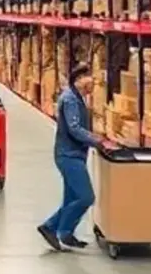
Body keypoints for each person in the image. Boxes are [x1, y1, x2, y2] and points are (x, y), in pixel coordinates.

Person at [37, 64, 117, 251]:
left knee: (71, 197)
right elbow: (74, 129)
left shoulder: (76, 97)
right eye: (90, 78)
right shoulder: (71, 99)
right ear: (79, 79)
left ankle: (65, 233)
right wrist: (97, 141)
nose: (93, 82)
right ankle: (50, 226)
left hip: (73, 154)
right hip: (69, 156)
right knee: (86, 197)